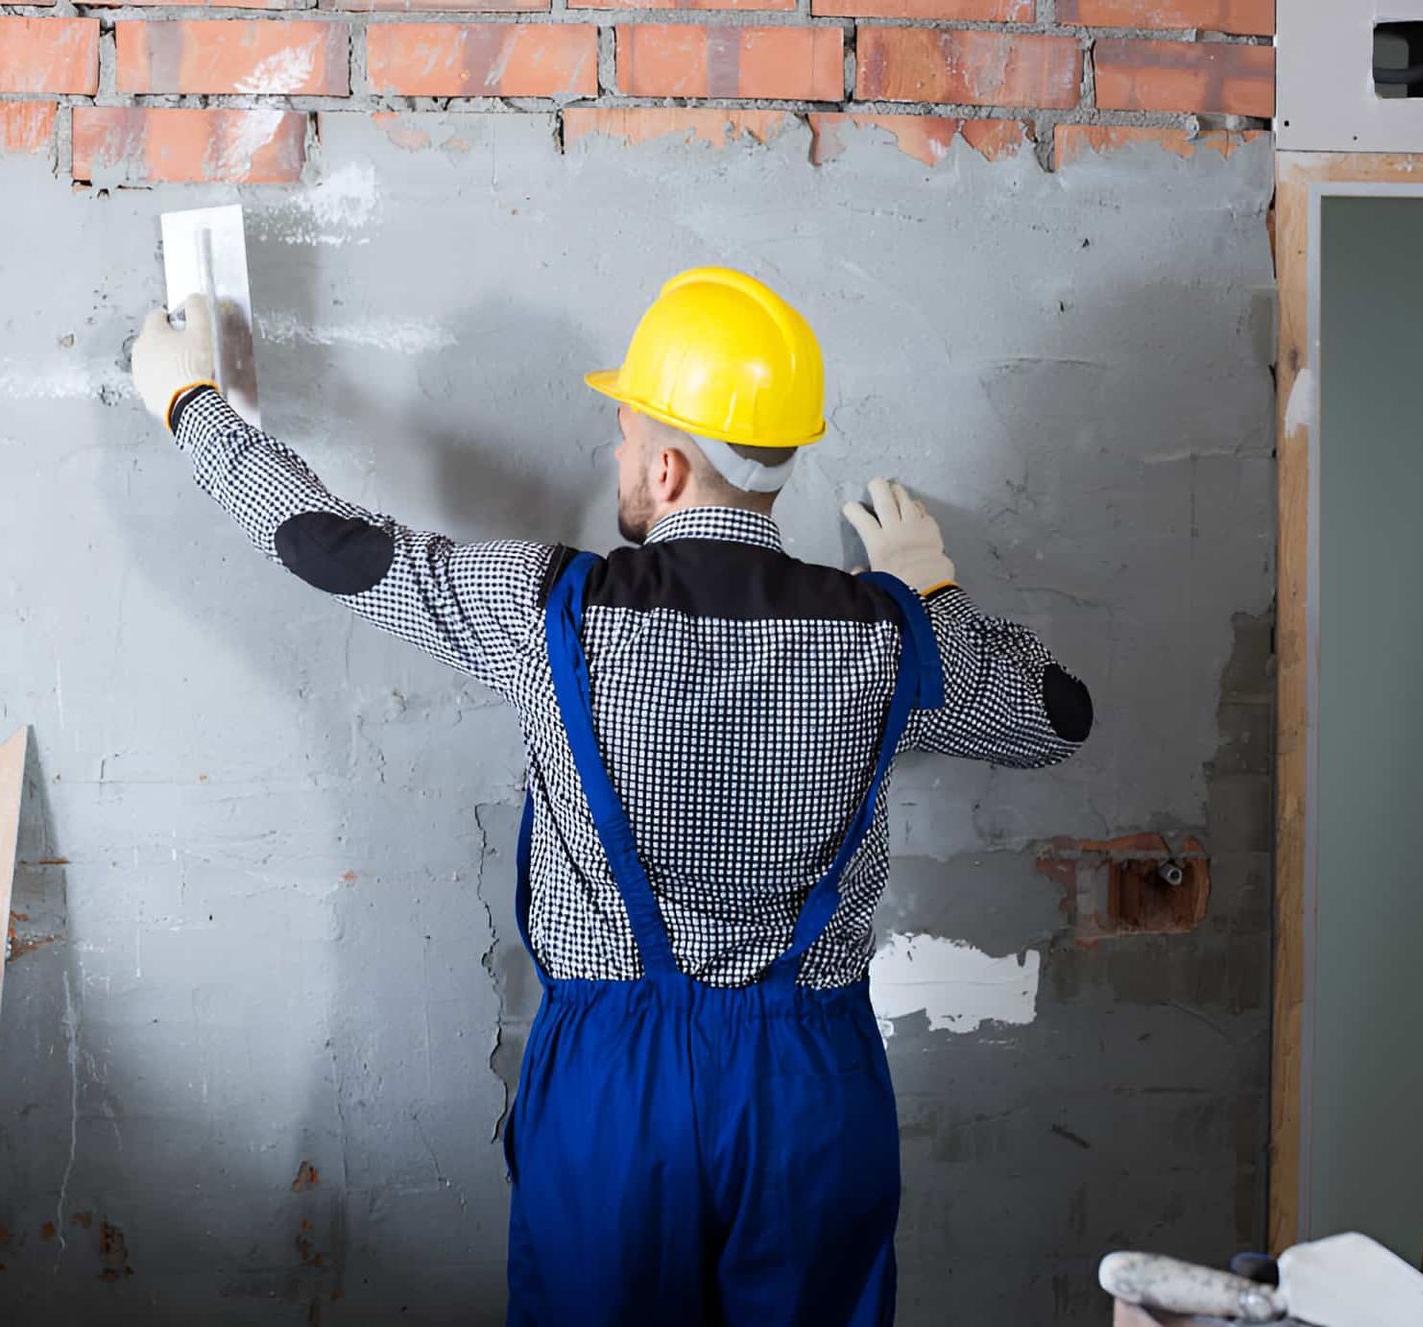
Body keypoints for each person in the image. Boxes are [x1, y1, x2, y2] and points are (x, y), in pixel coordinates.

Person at [130, 266, 1092, 1326]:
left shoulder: (550, 608)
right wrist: (931, 587)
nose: (618, 456)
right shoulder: (888, 634)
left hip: (616, 1088)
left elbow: (331, 544)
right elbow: (1059, 717)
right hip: (813, 1090)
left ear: (669, 467)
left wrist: (190, 405)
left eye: (626, 436)